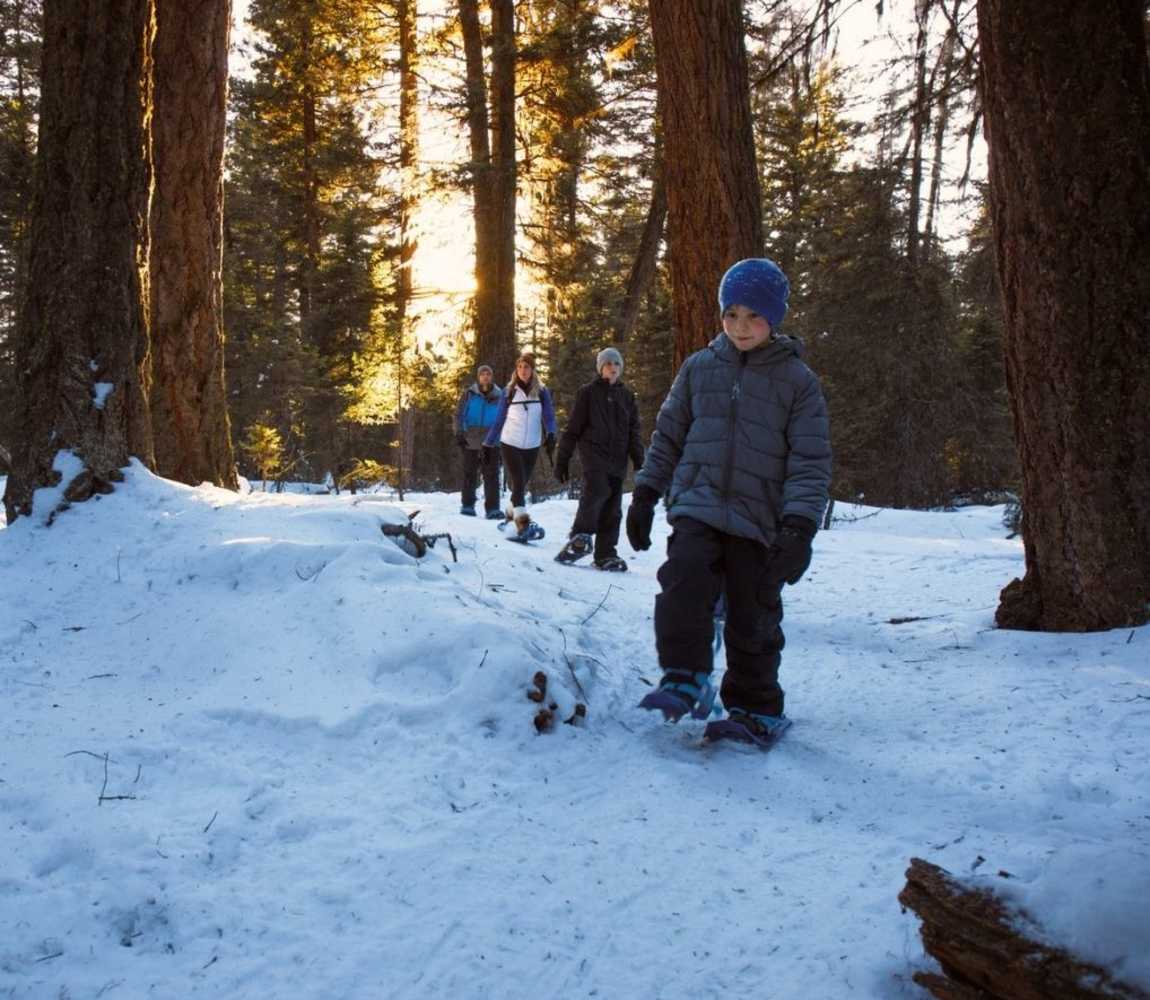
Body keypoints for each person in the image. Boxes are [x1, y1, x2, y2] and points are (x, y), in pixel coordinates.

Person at [625, 258, 832, 746]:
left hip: (759, 517)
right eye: (732, 314)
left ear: (774, 318)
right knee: (683, 578)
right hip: (697, 503)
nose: (741, 327)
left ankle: (755, 707)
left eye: (754, 316)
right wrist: (646, 494)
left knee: (752, 609)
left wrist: (799, 526)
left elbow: (809, 460)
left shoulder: (798, 383)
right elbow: (668, 437)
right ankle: (684, 674)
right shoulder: (699, 369)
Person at [553, 347, 644, 572]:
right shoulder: (588, 393)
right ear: (601, 368)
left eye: (616, 364)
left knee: (613, 507)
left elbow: (634, 432)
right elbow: (573, 429)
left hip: (618, 460)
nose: (613, 368)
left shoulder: (627, 396)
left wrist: (640, 462)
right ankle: (580, 537)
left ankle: (605, 553)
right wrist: (562, 460)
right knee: (597, 491)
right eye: (608, 364)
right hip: (594, 455)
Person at [483, 352, 558, 540]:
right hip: (510, 442)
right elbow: (499, 419)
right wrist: (487, 443)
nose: (523, 371)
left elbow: (548, 415)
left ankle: (510, 515)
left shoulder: (541, 391)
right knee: (518, 481)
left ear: (532, 370)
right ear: (516, 370)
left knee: (521, 484)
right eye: (520, 367)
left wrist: (551, 433)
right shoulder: (509, 392)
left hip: (532, 444)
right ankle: (523, 524)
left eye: (527, 367)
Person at [454, 364, 505, 518]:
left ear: (491, 376)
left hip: (492, 440)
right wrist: (459, 432)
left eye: (488, 374)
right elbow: (459, 414)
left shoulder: (500, 395)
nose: (485, 376)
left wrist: (503, 437)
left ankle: (493, 509)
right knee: (470, 473)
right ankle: (468, 505)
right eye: (482, 374)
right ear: (478, 377)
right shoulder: (469, 394)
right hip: (471, 438)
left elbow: (505, 417)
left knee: (492, 475)